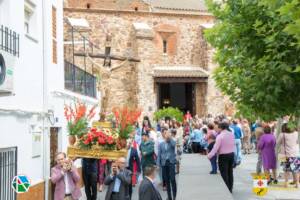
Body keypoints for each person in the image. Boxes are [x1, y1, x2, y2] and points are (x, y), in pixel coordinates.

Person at [208, 122, 235, 193]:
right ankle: (230, 188)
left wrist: (210, 155)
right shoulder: (231, 134)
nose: (217, 129)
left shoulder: (220, 136)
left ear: (221, 128)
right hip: (231, 154)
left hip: (223, 156)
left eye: (218, 128)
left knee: (224, 173)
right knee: (230, 172)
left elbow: (215, 148)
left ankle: (226, 189)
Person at [277, 123, 300, 188]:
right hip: (295, 154)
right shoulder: (296, 133)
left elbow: (277, 143)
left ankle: (286, 183)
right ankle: (297, 183)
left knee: (286, 170)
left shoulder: (282, 135)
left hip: (284, 155)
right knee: (296, 170)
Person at [157, 128, 177, 200]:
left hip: (171, 162)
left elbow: (174, 145)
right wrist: (158, 165)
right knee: (167, 180)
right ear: (163, 134)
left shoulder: (172, 141)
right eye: (165, 133)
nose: (167, 134)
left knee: (172, 179)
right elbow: (159, 155)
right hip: (164, 163)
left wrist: (170, 138)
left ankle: (175, 196)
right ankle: (169, 196)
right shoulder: (161, 144)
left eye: (168, 133)